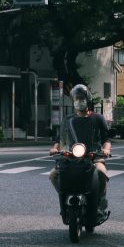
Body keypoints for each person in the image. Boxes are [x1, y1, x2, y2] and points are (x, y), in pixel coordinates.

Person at [49, 84, 112, 214]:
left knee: (101, 172)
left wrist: (106, 150)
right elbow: (59, 139)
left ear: (87, 99)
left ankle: (100, 200)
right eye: (76, 98)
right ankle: (65, 196)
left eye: (81, 98)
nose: (79, 101)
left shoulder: (97, 118)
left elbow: (106, 139)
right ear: (73, 101)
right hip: (71, 157)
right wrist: (55, 149)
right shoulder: (68, 119)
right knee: (53, 175)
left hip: (93, 157)